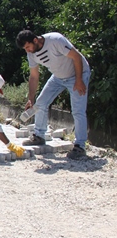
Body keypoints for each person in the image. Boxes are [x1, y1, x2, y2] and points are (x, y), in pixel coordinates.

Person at [15, 30, 91, 160]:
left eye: (27, 47)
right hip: (58, 77)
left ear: (35, 40)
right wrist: (30, 99)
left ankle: (80, 146)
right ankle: (39, 136)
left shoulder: (55, 40)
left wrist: (79, 80)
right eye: (24, 49)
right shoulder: (31, 54)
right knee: (40, 103)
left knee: (78, 111)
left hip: (78, 74)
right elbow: (34, 76)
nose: (27, 50)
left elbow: (77, 57)